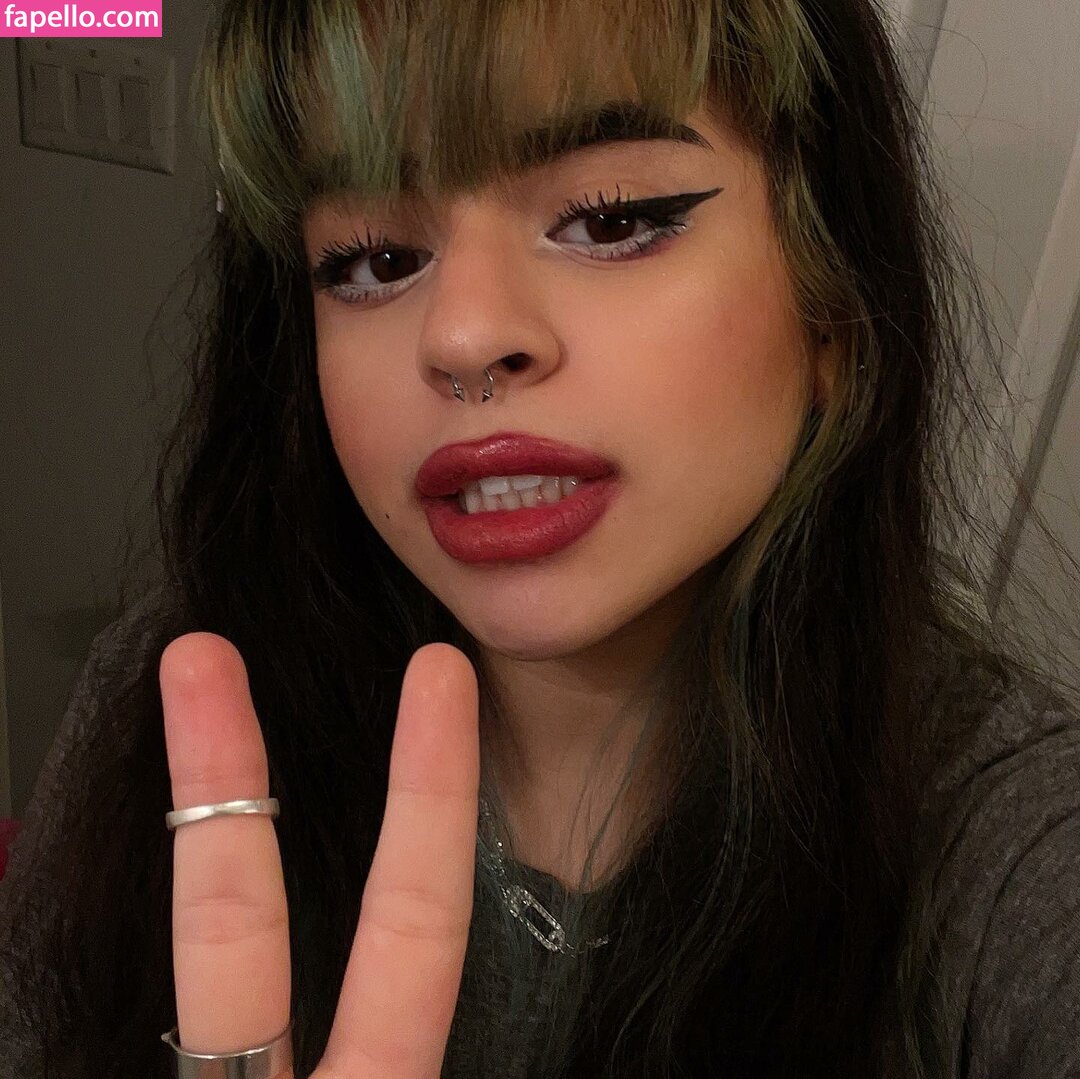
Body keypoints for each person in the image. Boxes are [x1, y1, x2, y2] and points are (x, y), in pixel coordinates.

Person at [1, 0, 1078, 1076]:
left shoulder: (1013, 846)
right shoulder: (184, 710)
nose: (462, 334)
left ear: (834, 306)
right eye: (374, 257)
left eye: (610, 220)